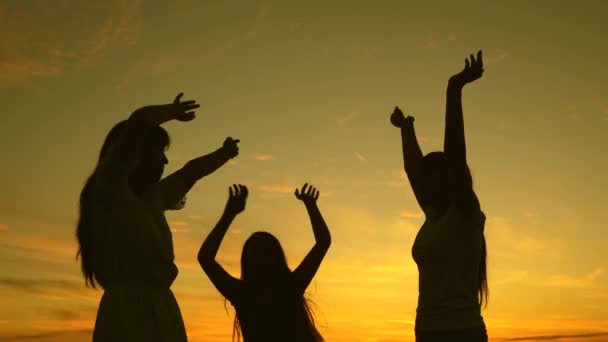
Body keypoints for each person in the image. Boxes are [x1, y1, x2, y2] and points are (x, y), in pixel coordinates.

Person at [75, 93, 240, 341]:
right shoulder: (111, 189)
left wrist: (224, 153)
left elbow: (190, 173)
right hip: (127, 315)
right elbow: (139, 121)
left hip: (163, 311)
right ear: (137, 153)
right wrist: (172, 112)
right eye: (159, 151)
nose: (165, 160)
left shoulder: (153, 198)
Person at [391, 51, 489, 342]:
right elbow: (413, 170)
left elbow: (456, 157)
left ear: (448, 179)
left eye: (434, 175)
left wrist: (454, 89)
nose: (425, 182)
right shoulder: (434, 217)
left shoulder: (465, 214)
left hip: (462, 332)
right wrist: (406, 130)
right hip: (427, 331)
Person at [198, 183, 331, 342]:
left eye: (265, 252)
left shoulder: (245, 294)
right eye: (257, 253)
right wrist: (311, 206)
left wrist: (229, 214)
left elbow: (205, 257)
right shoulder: (289, 287)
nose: (262, 260)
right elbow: (323, 242)